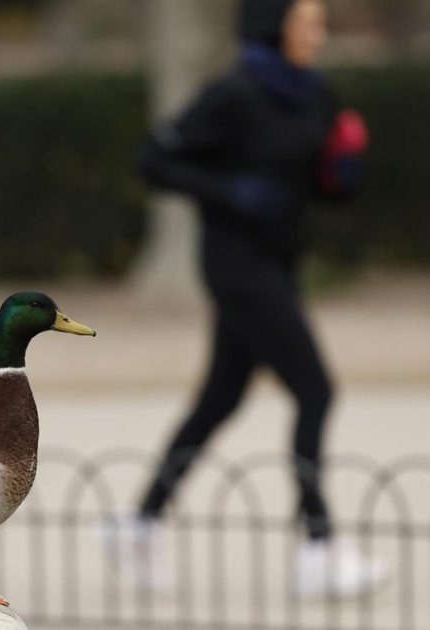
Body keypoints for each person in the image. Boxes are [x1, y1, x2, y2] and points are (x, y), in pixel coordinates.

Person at [113, 0, 384, 598]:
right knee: (316, 390)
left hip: (280, 265)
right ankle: (318, 545)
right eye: (308, 20)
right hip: (236, 268)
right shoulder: (233, 93)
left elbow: (322, 187)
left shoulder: (314, 92)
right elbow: (155, 161)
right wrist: (228, 190)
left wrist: (342, 167)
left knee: (220, 400)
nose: (319, 31)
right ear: (275, 23)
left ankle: (139, 521)